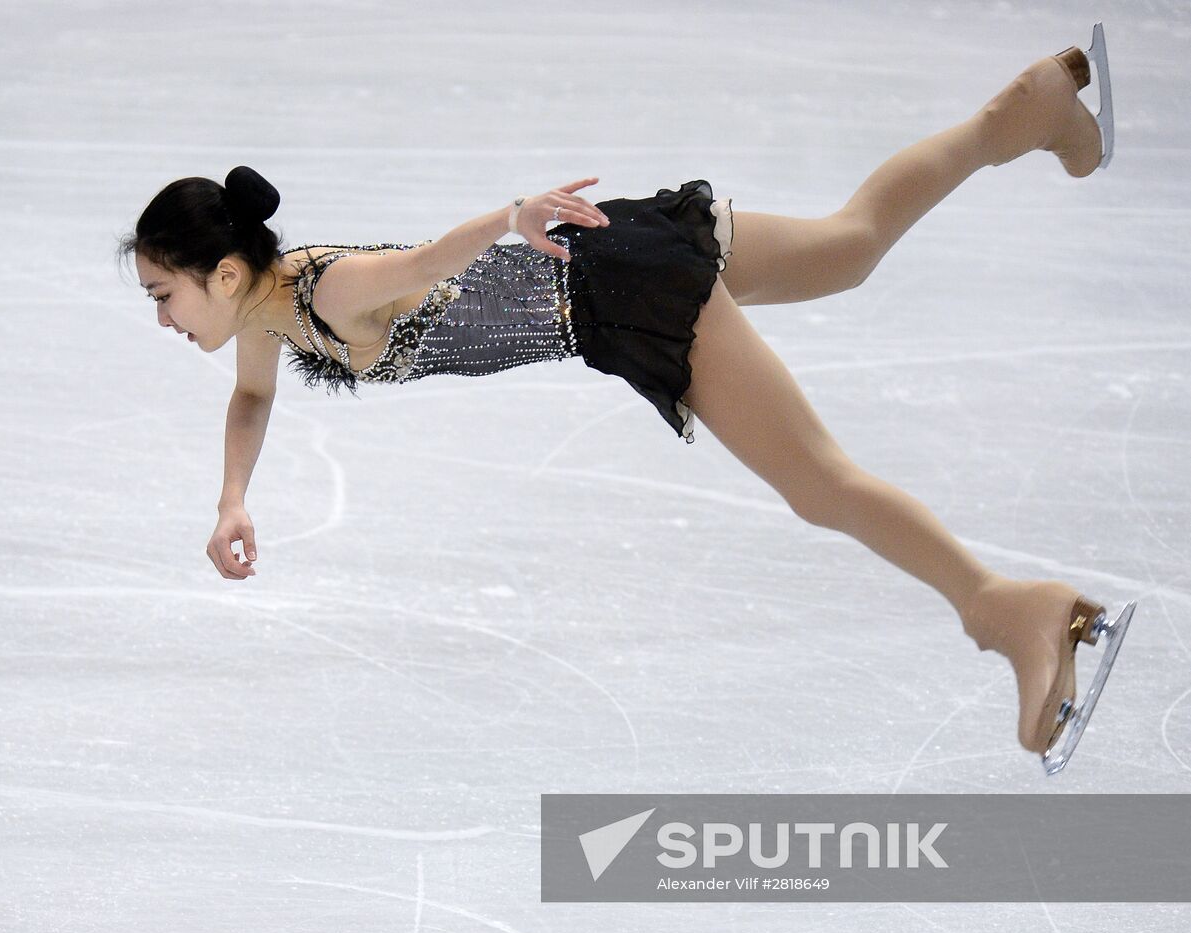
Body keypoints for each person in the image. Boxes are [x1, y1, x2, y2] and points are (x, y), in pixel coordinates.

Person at [120, 30, 1127, 771]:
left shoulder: (322, 290)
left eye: (162, 295)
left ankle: (1011, 610)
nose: (161, 319)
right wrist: (231, 499)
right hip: (625, 243)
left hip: (624, 292)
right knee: (852, 243)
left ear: (219, 273)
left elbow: (425, 258)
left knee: (818, 485)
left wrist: (509, 216)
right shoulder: (261, 317)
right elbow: (251, 404)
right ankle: (1029, 110)